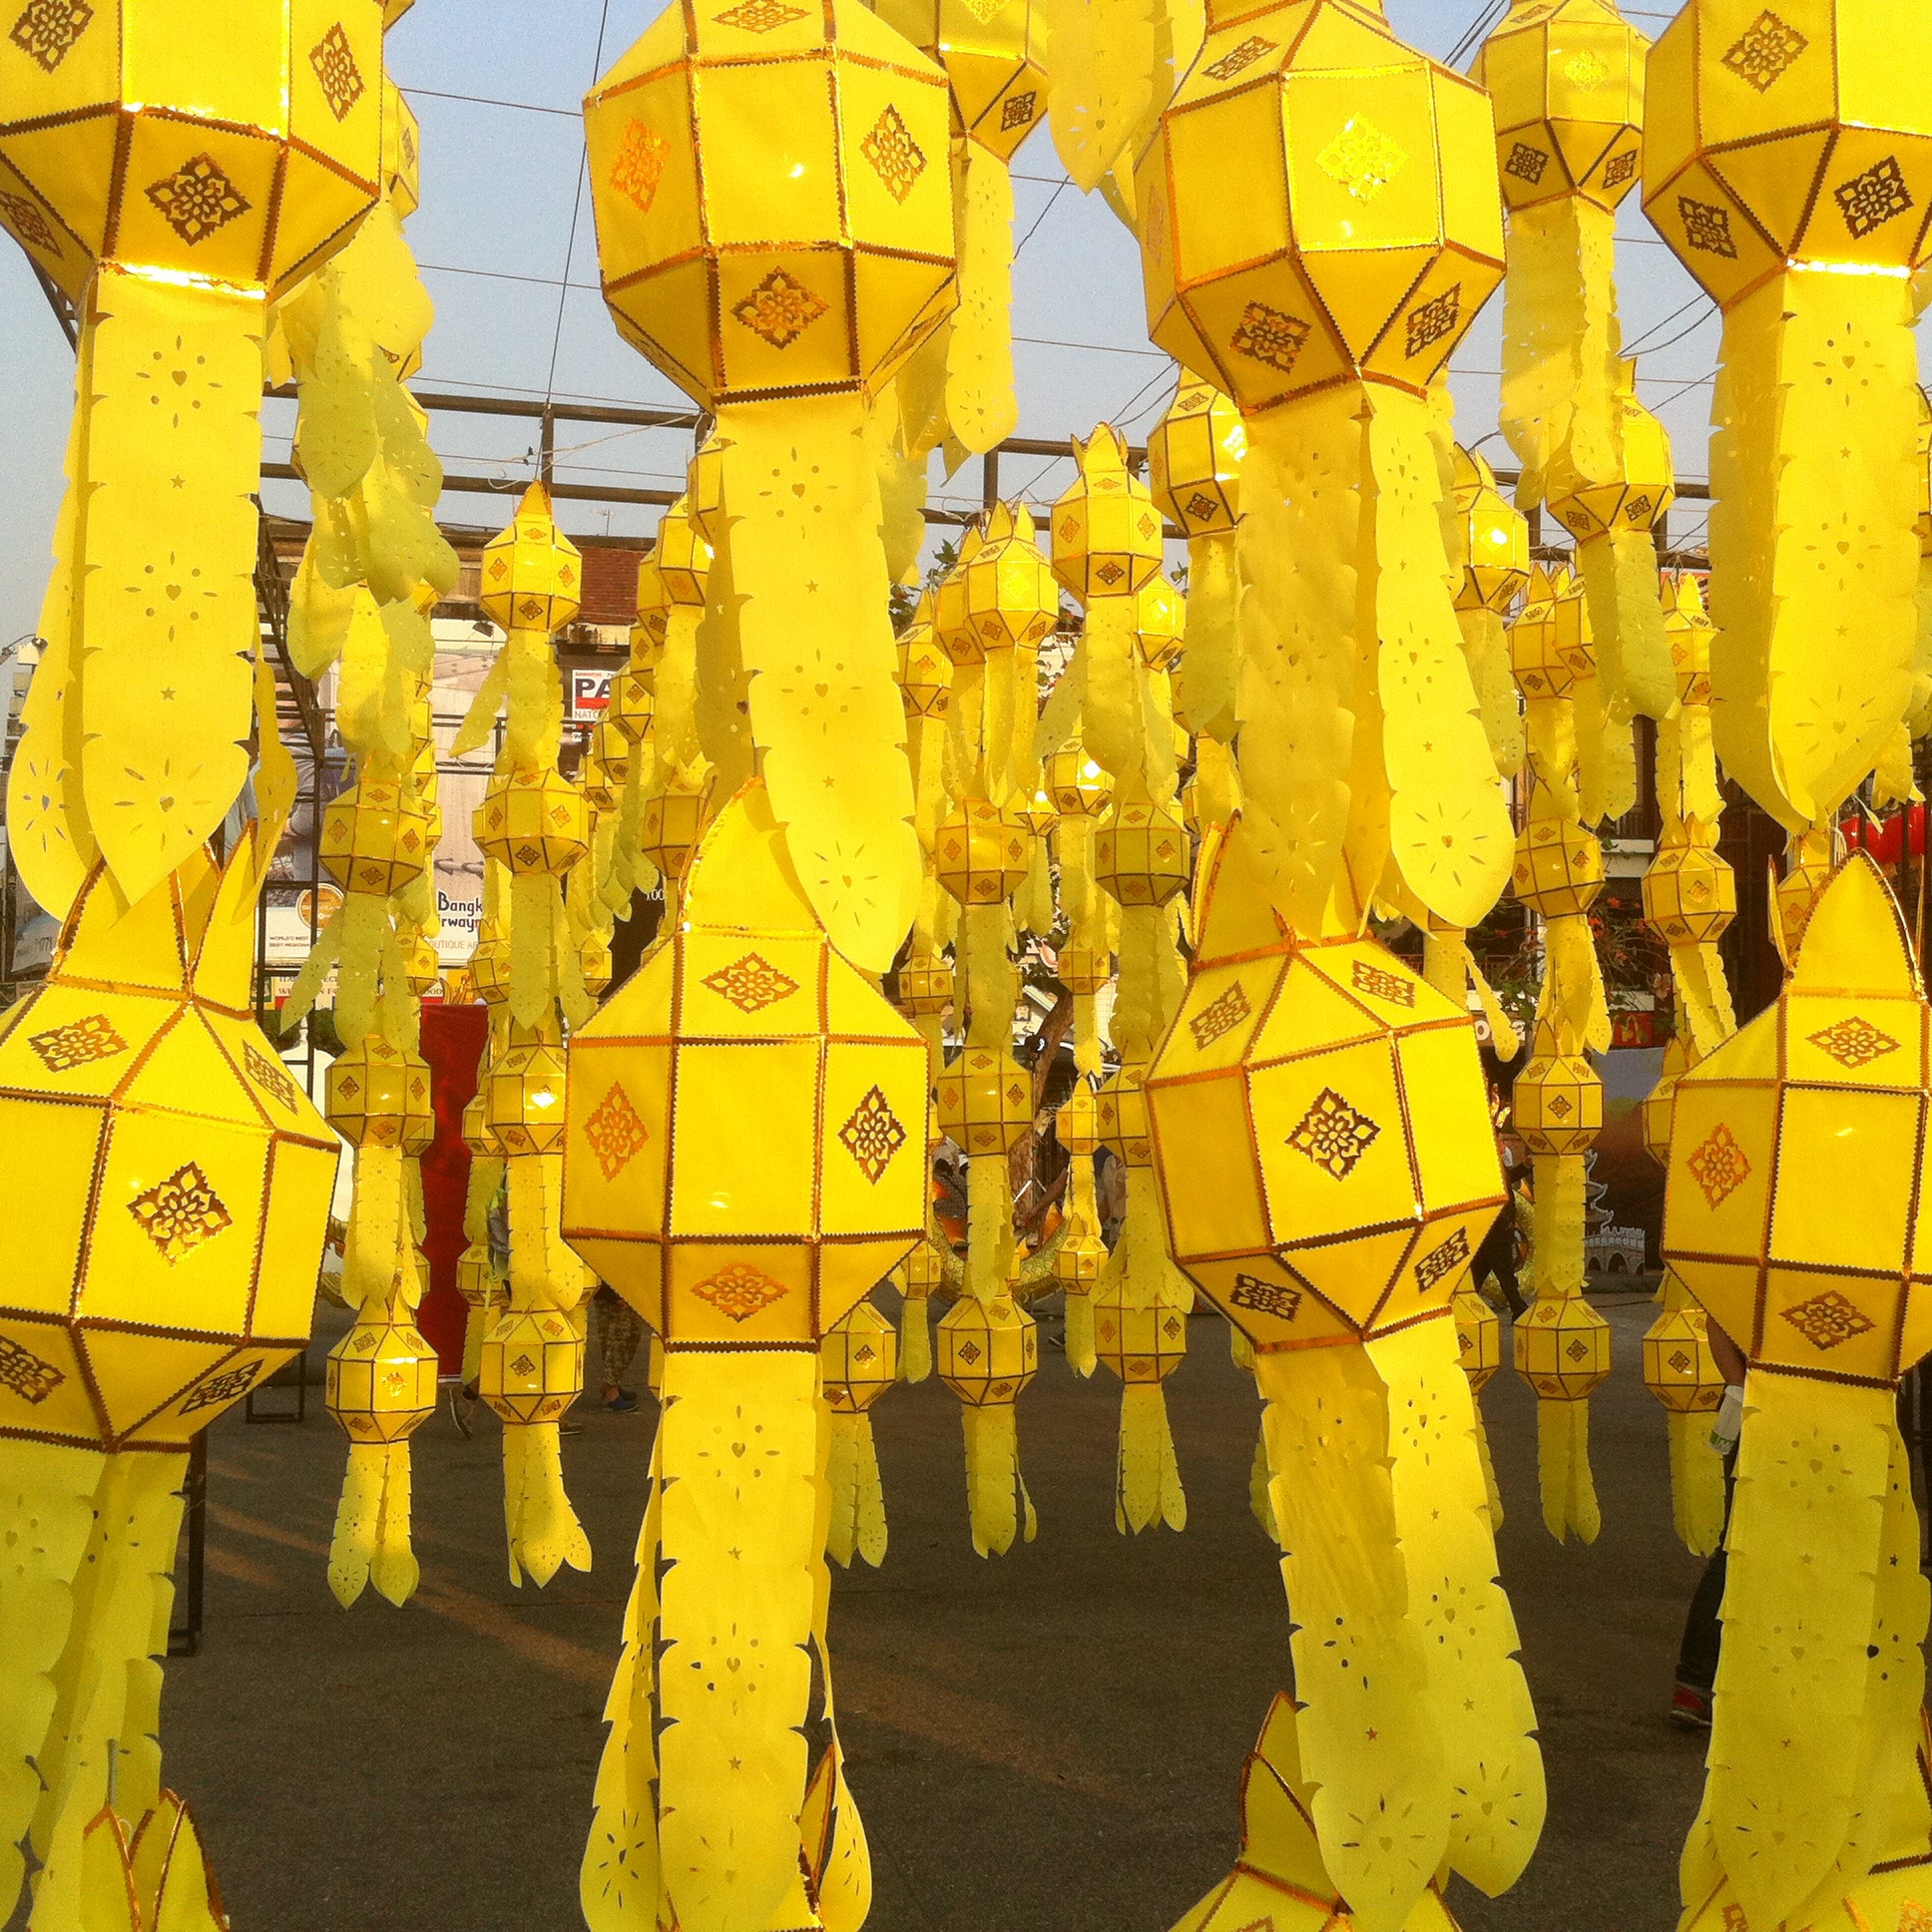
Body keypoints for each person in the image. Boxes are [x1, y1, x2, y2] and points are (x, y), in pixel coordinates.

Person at [1673, 1315, 1748, 1727]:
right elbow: (1718, 1316)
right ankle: (1698, 1682)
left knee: (1737, 1545)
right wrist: (1739, 1387)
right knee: (1739, 1544)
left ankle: (1696, 1684)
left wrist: (1739, 1386)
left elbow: (1717, 1317)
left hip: (1765, 1403)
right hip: (1768, 1409)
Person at [591, 1282, 644, 1413]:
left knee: (630, 1337)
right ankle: (611, 1392)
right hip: (614, 1292)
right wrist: (616, 1295)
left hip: (628, 1289)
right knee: (618, 1340)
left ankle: (611, 1384)